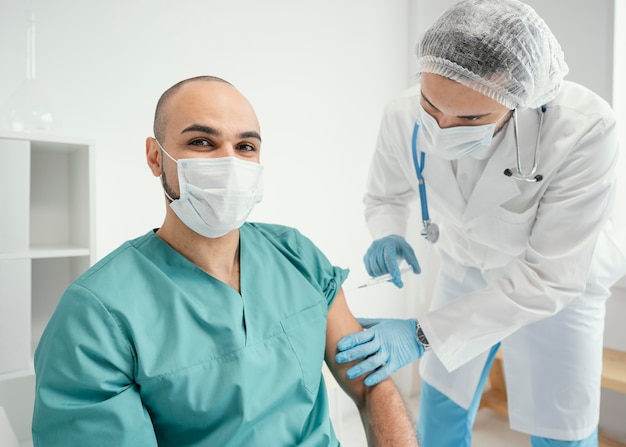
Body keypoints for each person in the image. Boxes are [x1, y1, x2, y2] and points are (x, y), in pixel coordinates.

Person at [32, 75, 418, 447]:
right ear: (155, 157)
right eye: (202, 142)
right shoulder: (95, 317)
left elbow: (371, 384)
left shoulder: (297, 256)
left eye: (246, 147)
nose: (229, 163)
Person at [335, 1, 626, 446]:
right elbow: (385, 194)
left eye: (470, 118)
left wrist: (419, 333)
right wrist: (388, 230)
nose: (442, 127)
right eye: (431, 105)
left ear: (521, 102)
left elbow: (549, 277)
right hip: (464, 265)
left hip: (558, 288)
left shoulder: (585, 129)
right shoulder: (402, 113)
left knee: (559, 427)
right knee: (441, 403)